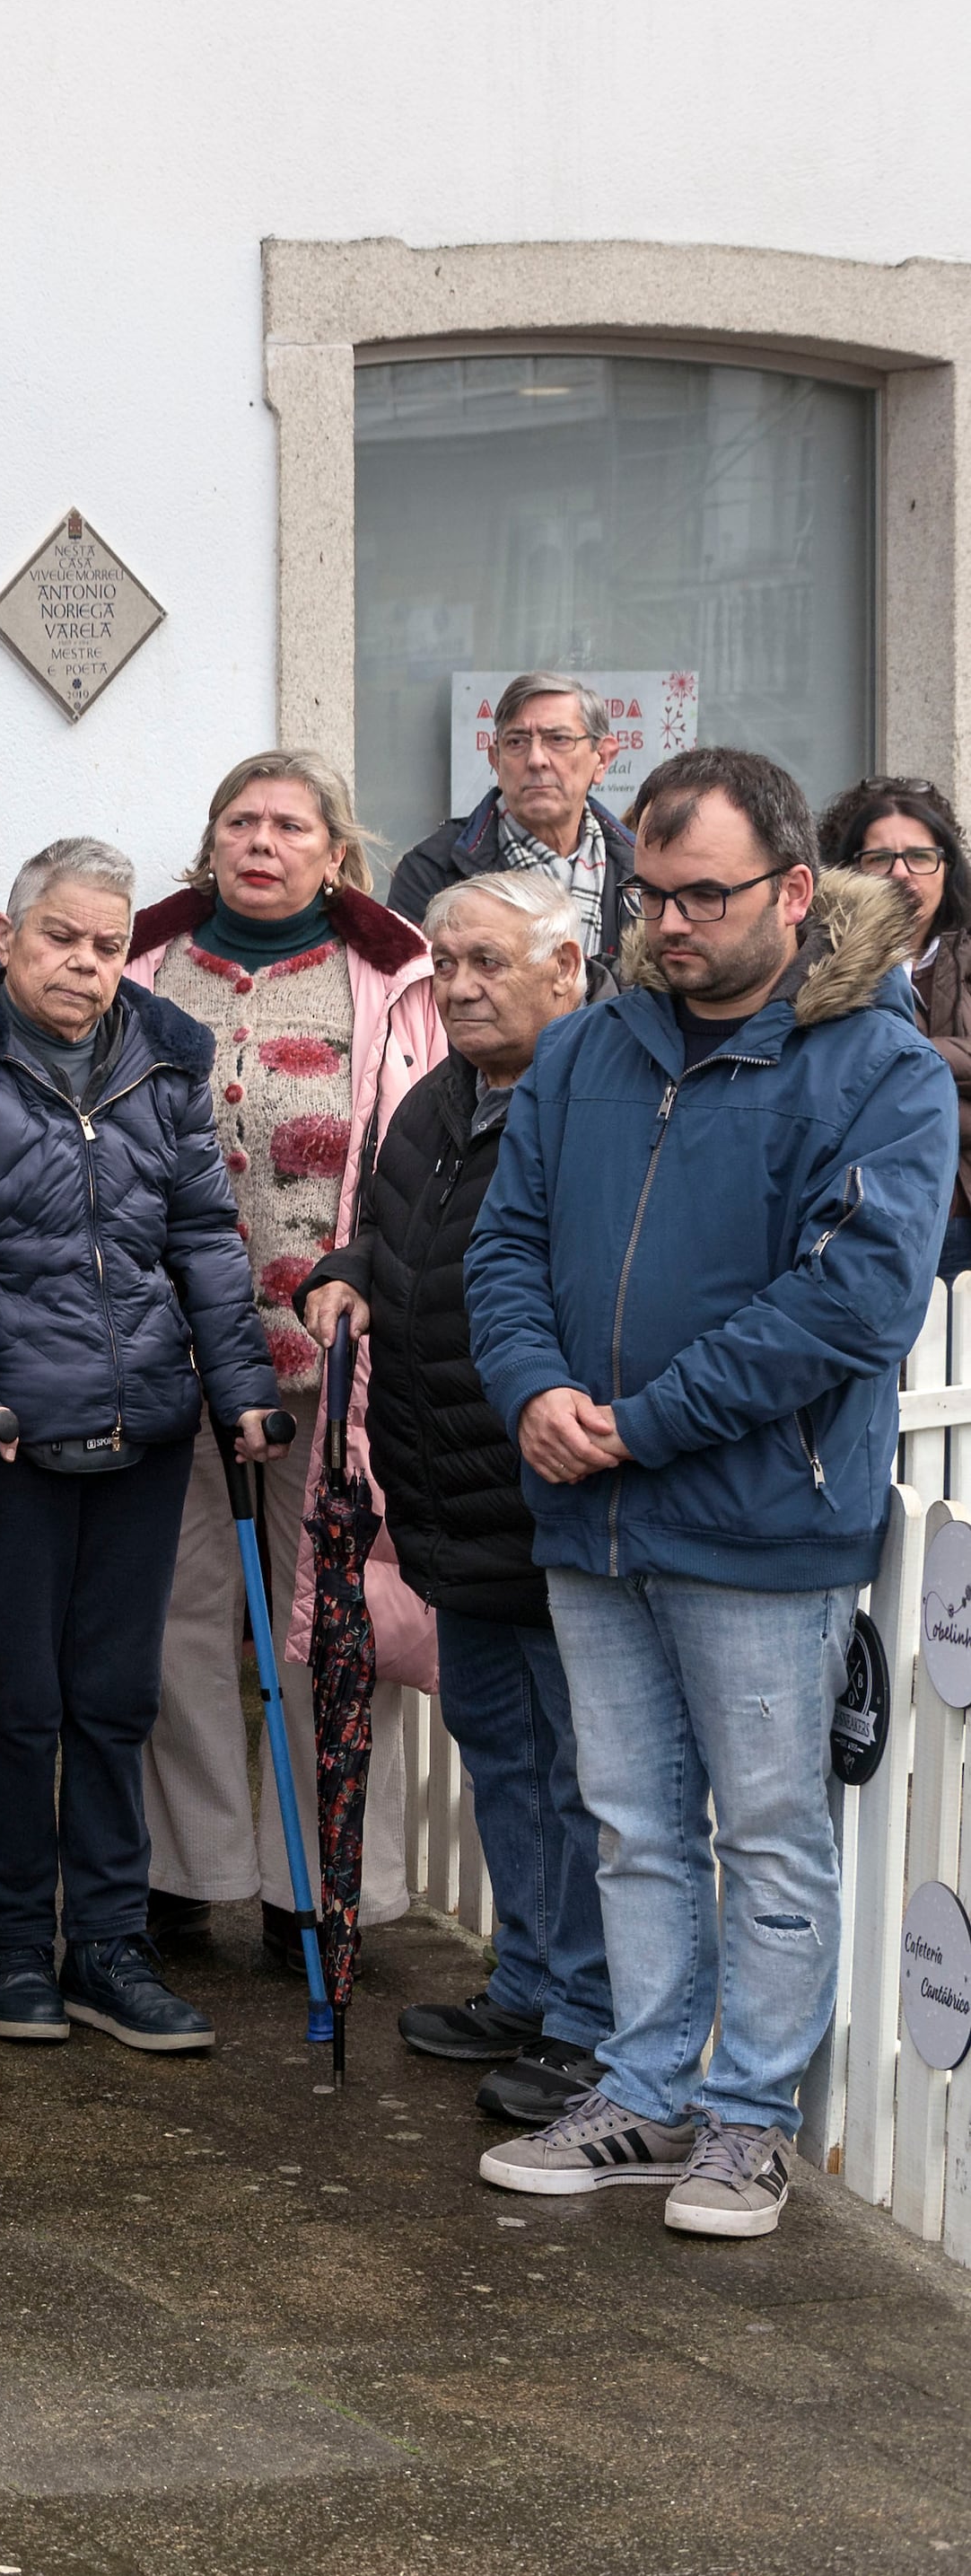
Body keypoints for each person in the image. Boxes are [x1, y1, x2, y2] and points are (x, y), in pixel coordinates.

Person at [470, 749, 951, 2241]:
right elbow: (507, 1247)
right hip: (596, 1516)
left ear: (795, 892)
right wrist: (536, 1392)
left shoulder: (883, 1069)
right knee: (633, 1821)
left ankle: (746, 2124)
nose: (670, 923)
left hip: (759, 1525)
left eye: (704, 896)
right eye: (650, 895)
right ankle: (644, 2085)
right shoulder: (588, 1048)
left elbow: (851, 1307)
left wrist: (637, 1425)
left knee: (770, 1828)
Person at [0, 837, 282, 2054]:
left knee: (115, 1696)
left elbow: (207, 1235)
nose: (86, 964)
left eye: (108, 944)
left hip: (150, 1416)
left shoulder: (166, 1055)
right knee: (18, 1700)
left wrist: (242, 1385)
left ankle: (107, 1943)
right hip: (5, 1429)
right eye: (61, 937)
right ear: (7, 937)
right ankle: (13, 1943)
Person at [123, 752, 443, 1970]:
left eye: (288, 824)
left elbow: (416, 1145)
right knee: (178, 1612)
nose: (262, 841)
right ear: (209, 842)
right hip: (166, 1346)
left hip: (335, 1352)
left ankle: (320, 1878)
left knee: (335, 1619)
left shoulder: (390, 973)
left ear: (334, 850)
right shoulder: (147, 959)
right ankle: (183, 1869)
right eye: (239, 820)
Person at [296, 870, 606, 2126]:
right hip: (450, 1499)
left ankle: (589, 2021)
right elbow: (396, 1230)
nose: (463, 986)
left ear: (567, 967)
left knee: (587, 1777)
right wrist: (349, 1268)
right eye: (449, 966)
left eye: (491, 962)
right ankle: (527, 1980)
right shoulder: (439, 1099)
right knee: (503, 1755)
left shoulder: (599, 1096)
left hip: (557, 1498)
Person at [820, 776, 971, 1273]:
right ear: (851, 872)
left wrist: (905, 1062)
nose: (901, 874)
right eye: (880, 859)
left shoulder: (966, 952)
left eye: (920, 857)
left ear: (945, 868)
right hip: (860, 1217)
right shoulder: (821, 961)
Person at [389, 669, 640, 963]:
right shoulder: (433, 871)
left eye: (558, 739)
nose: (536, 760)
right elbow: (412, 998)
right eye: (516, 742)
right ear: (495, 760)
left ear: (602, 758)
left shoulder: (641, 870)